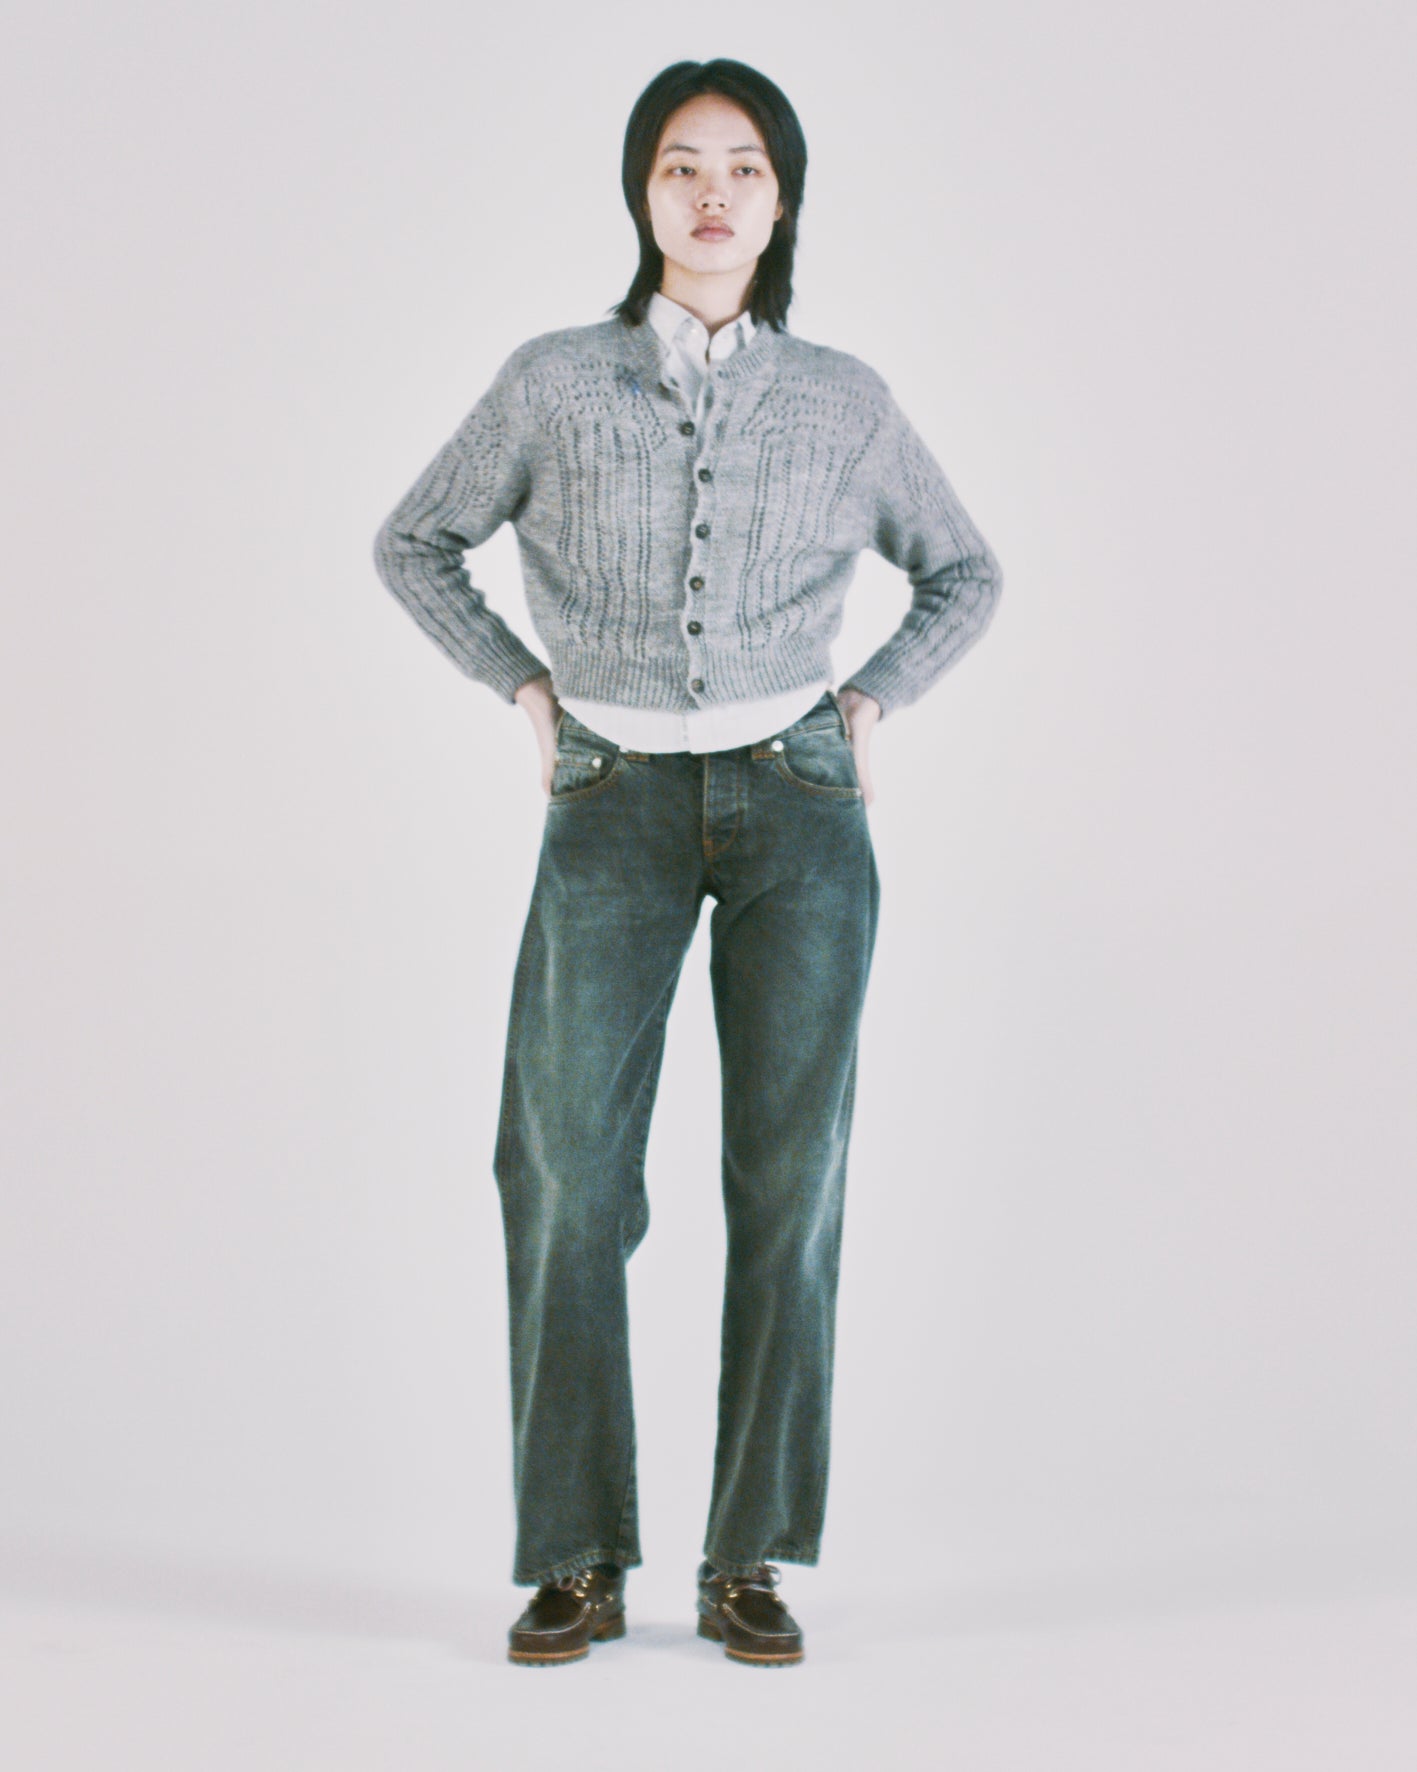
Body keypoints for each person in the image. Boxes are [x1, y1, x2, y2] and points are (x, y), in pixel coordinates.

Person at [372, 57, 1002, 1668]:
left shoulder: (842, 399)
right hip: (610, 803)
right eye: (679, 165)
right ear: (640, 192)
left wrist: (871, 701)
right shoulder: (552, 381)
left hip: (799, 805)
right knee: (564, 1174)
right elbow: (414, 540)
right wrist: (525, 689)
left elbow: (962, 572)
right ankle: (576, 1553)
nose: (711, 193)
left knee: (788, 1181)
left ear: (781, 202)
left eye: (742, 168)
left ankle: (749, 1557)